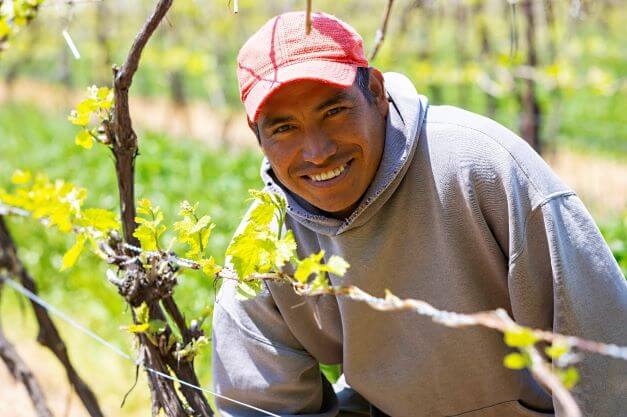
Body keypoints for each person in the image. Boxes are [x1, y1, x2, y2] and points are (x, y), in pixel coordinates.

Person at [211, 11, 627, 417]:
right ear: (257, 137)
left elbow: (603, 355)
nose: (318, 152)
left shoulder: (479, 167)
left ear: (375, 92)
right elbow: (262, 406)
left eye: (334, 111)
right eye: (284, 129)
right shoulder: (265, 244)